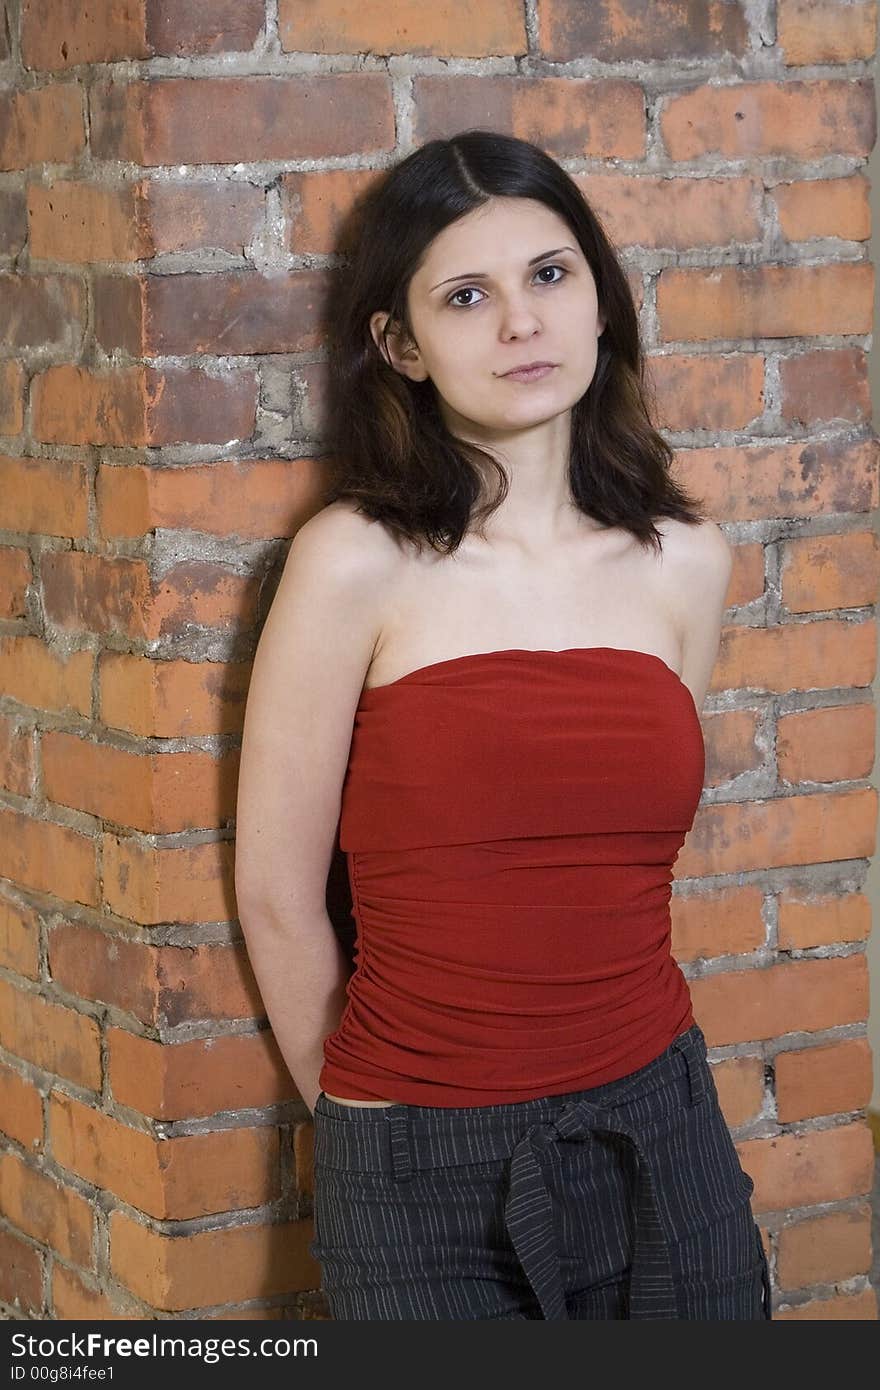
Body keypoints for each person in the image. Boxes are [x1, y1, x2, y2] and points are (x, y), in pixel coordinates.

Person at [234, 129, 773, 1321]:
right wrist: (372, 1121)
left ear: (598, 300)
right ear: (401, 345)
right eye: (466, 296)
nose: (521, 323)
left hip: (659, 1131)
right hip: (421, 1165)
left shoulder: (685, 561)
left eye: (550, 274)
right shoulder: (352, 563)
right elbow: (277, 891)